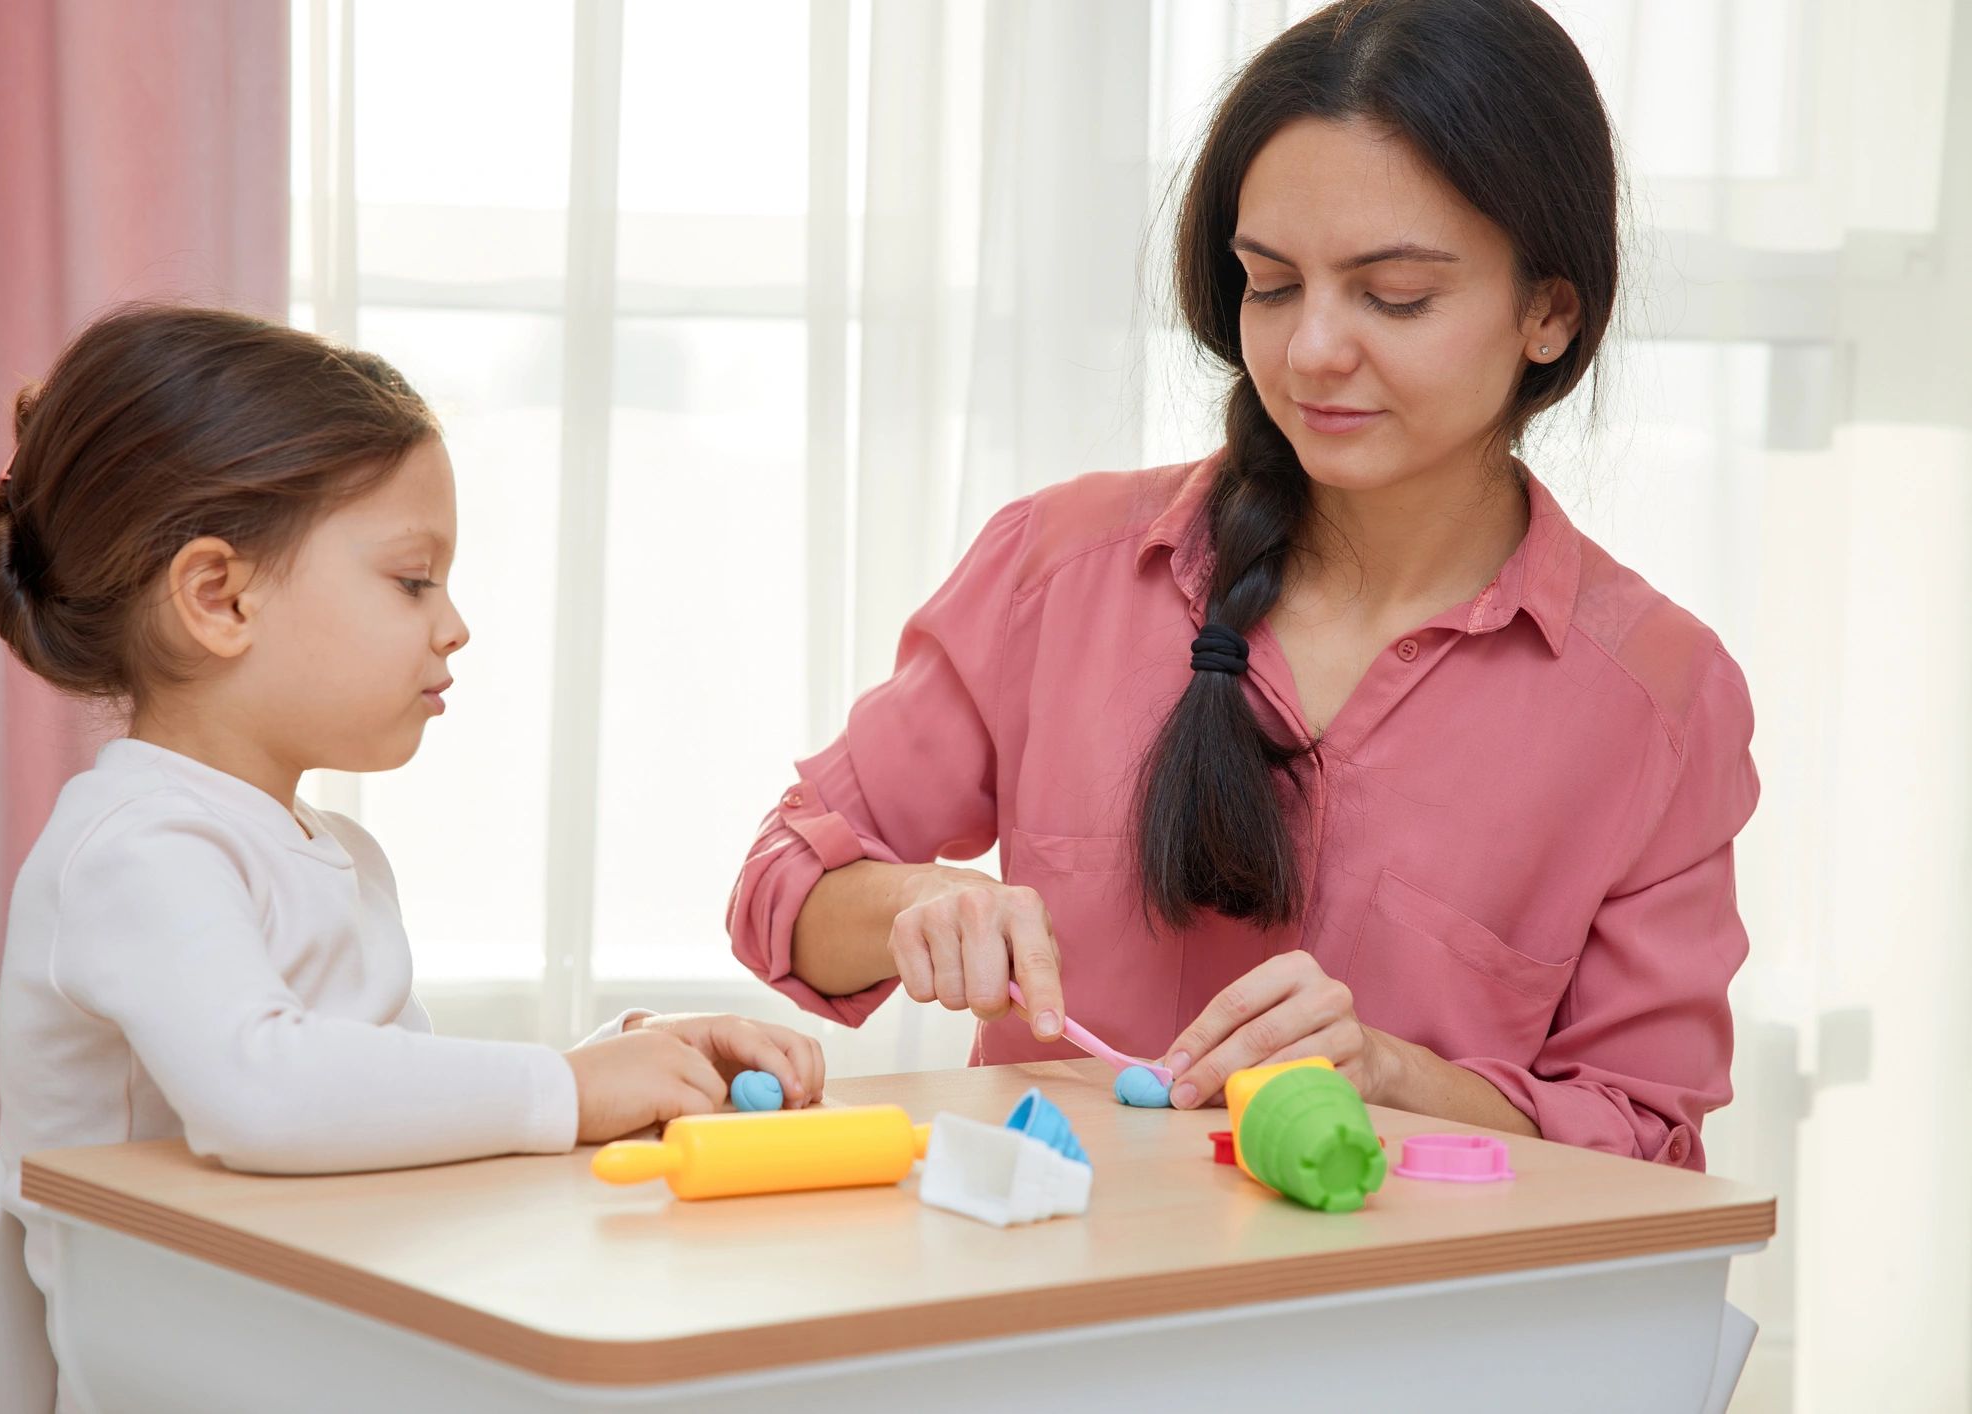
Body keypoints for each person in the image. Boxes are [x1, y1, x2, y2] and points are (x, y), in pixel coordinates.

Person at [730, 0, 1757, 1170]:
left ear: (1546, 312)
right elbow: (781, 884)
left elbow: (1641, 1142)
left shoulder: (1657, 699)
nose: (1312, 349)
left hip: (1401, 1338)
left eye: (1394, 296)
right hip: (1034, 1309)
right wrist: (909, 902)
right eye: (1270, 285)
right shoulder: (1058, 570)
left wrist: (1396, 1078)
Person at [0, 305, 823, 1408]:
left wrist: (622, 1063)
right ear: (220, 597)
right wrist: (563, 1089)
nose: (451, 624)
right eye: (412, 580)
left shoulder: (336, 854)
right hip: (184, 1372)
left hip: (323, 1341)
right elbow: (264, 1096)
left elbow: (373, 1104)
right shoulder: (136, 849)